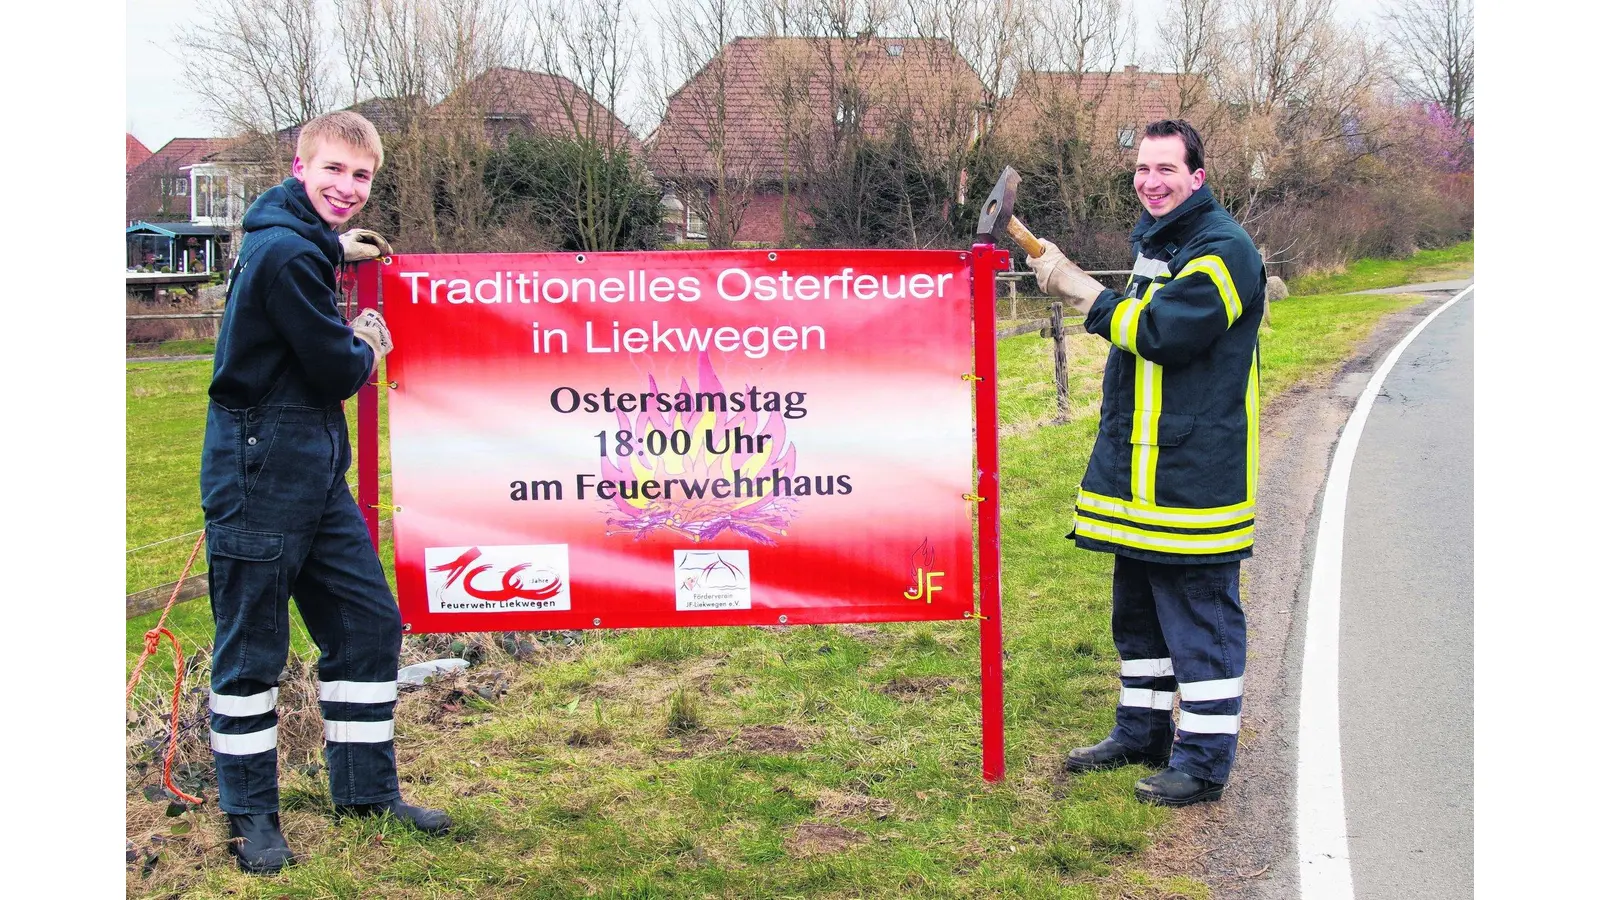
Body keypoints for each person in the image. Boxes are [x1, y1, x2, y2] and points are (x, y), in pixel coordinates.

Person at [199, 110, 450, 874]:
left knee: (368, 625)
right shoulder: (283, 253)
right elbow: (335, 371)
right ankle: (251, 820)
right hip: (259, 471)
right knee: (252, 655)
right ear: (298, 165)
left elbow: (297, 256)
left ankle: (366, 793)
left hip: (315, 473)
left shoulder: (294, 238)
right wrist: (367, 341)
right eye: (333, 171)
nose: (347, 187)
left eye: (362, 176)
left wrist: (333, 248)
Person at [1025, 119, 1265, 807]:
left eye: (1166, 169)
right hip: (1142, 472)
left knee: (1200, 620)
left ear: (1198, 176)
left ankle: (1204, 760)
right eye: (1142, 169)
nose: (1150, 182)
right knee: (1138, 616)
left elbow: (1164, 332)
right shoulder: (1165, 239)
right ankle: (1142, 731)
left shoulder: (1224, 251)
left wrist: (1080, 291)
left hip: (1194, 476)